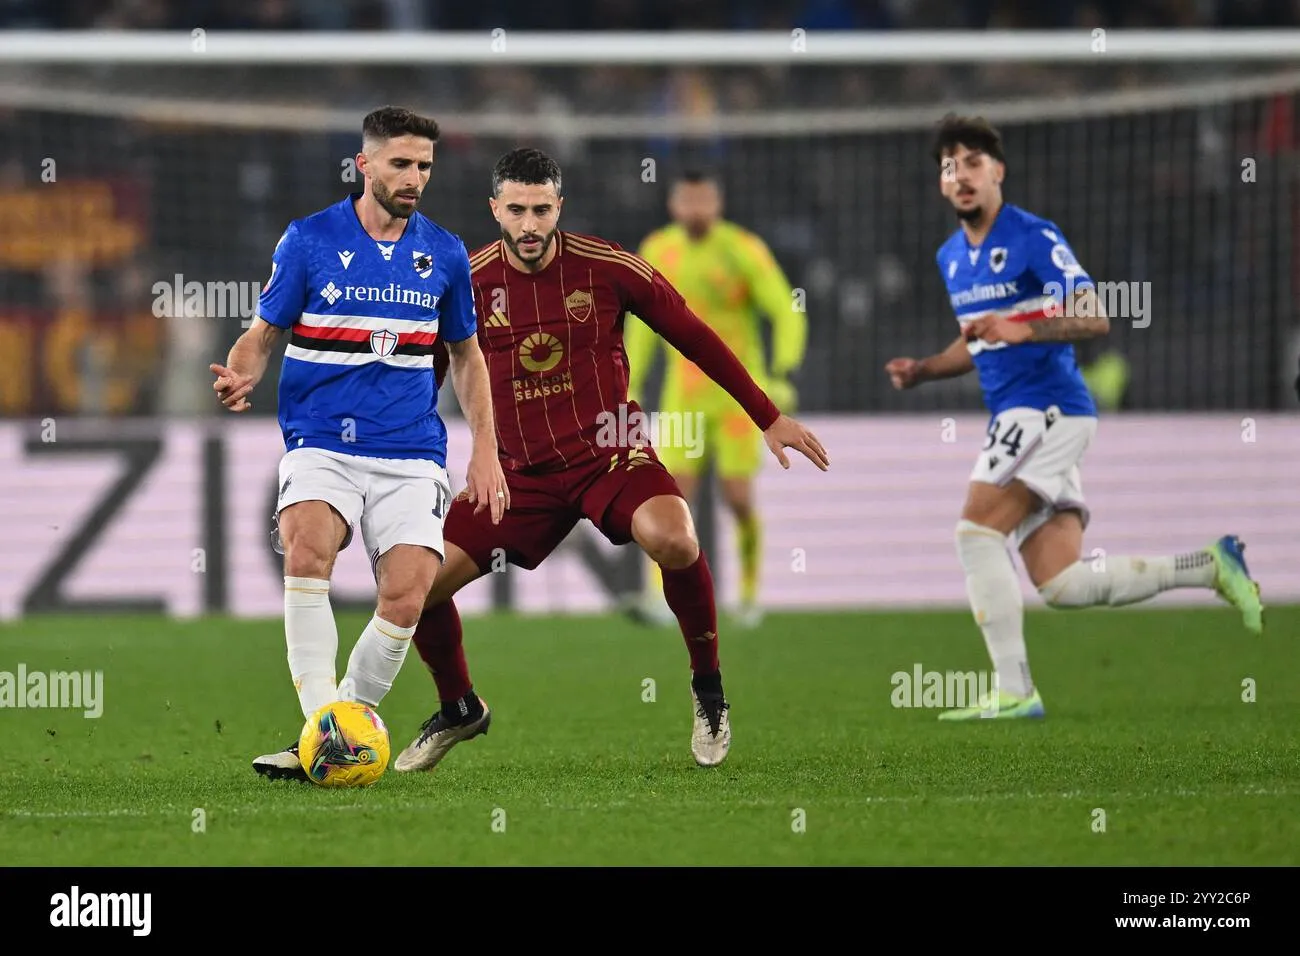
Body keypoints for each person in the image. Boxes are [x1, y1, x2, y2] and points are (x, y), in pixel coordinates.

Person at [393, 147, 830, 772]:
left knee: (675, 539)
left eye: (542, 209)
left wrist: (768, 414)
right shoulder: (466, 281)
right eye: (516, 209)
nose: (529, 225)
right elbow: (428, 379)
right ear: (495, 209)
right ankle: (460, 707)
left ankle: (708, 691)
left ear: (559, 207)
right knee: (415, 590)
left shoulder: (608, 266)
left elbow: (693, 333)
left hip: (610, 454)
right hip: (519, 475)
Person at [884, 114, 1264, 721]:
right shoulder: (952, 257)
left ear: (998, 171)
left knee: (975, 534)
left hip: (1050, 409)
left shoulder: (1034, 236)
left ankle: (1014, 690)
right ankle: (1210, 564)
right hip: (1022, 416)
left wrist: (1022, 326)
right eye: (949, 167)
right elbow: (978, 341)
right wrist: (926, 369)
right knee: (1060, 583)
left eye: (974, 163)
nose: (962, 177)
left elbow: (1094, 316)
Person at [209, 106, 508, 780]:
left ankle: (328, 735)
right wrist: (241, 373)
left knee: (406, 596)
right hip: (322, 442)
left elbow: (467, 357)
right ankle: (324, 729)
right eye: (401, 163)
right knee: (307, 545)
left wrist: (485, 450)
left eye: (424, 166)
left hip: (409, 452)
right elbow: (262, 334)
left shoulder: (447, 253)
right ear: (363, 165)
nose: (414, 177)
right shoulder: (308, 240)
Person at [621, 169, 807, 628]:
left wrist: (781, 372)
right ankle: (658, 598)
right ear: (673, 205)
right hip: (683, 398)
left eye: (704, 200)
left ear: (717, 203)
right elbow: (640, 326)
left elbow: (785, 309)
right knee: (669, 499)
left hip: (738, 402)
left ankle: (747, 595)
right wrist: (628, 384)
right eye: (688, 200)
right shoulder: (657, 250)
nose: (696, 210)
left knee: (738, 498)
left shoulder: (743, 248)